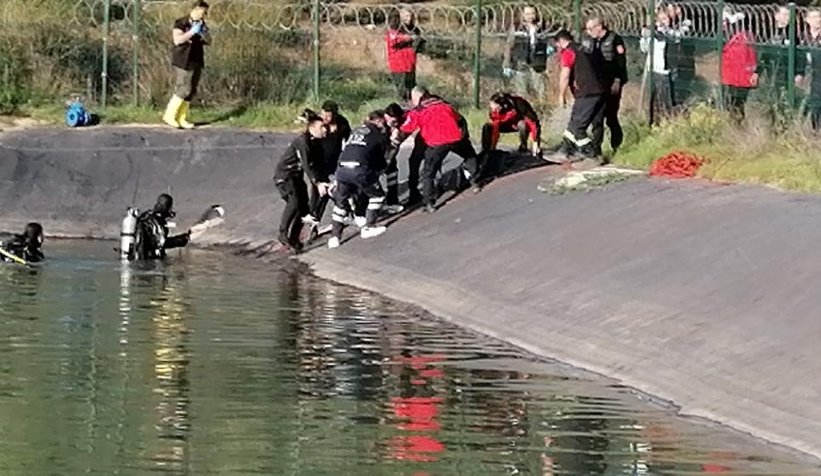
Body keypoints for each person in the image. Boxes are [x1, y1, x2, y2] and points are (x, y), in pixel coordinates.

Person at [399, 87, 482, 213]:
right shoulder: (445, 105)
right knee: (469, 155)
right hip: (455, 139)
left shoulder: (418, 111)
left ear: (418, 98)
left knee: (428, 173)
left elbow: (406, 128)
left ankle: (429, 202)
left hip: (436, 143)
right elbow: (459, 119)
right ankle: (475, 181)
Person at [328, 111, 391, 249]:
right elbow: (380, 159)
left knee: (341, 201)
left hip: (342, 168)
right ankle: (369, 227)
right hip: (359, 169)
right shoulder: (377, 135)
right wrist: (380, 170)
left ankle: (334, 237)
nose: (385, 126)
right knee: (377, 196)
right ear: (379, 122)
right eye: (384, 123)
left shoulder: (356, 131)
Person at [273, 113, 327, 253]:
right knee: (295, 202)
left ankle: (294, 239)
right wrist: (317, 183)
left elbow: (317, 165)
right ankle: (282, 233)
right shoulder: (303, 142)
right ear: (312, 127)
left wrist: (324, 180)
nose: (325, 130)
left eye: (325, 127)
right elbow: (306, 165)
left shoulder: (316, 143)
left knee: (304, 209)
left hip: (297, 177)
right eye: (322, 127)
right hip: (285, 176)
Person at [554, 29, 607, 161]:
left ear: (561, 42)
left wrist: (562, 95)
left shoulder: (568, 52)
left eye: (557, 45)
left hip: (587, 93)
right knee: (573, 123)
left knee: (578, 128)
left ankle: (591, 154)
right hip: (598, 90)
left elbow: (565, 75)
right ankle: (565, 149)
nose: (557, 48)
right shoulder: (582, 49)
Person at [162, 1, 211, 130]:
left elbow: (209, 40)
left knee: (192, 89)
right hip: (183, 60)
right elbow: (177, 40)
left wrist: (203, 33)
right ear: (196, 9)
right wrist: (191, 32)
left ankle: (181, 118)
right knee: (184, 88)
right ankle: (170, 115)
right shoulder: (181, 22)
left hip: (196, 59)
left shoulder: (202, 24)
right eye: (204, 12)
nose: (205, 15)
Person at [304, 101, 352, 229]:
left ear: (335, 115)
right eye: (323, 115)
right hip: (319, 162)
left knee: (337, 189)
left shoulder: (342, 123)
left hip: (335, 162)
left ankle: (346, 211)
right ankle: (313, 223)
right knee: (318, 194)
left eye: (328, 116)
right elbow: (307, 140)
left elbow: (348, 140)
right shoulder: (318, 123)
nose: (325, 118)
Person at [586, 16, 627, 156]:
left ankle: (617, 145)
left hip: (612, 84)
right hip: (598, 85)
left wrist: (618, 80)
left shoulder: (615, 39)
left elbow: (621, 62)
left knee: (611, 117)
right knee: (596, 118)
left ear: (599, 27)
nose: (588, 32)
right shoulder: (592, 42)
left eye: (590, 29)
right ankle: (596, 149)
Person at [640, 9, 687, 121]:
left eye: (664, 19)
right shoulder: (652, 32)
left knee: (665, 101)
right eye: (659, 19)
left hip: (664, 71)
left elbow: (676, 37)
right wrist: (645, 37)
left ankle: (666, 122)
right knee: (650, 100)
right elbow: (644, 49)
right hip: (651, 69)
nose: (661, 22)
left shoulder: (672, 32)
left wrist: (662, 31)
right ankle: (650, 122)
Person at [503, 6, 552, 103]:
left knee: (540, 90)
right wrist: (507, 65)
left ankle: (541, 110)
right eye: (527, 14)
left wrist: (550, 47)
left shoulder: (542, 28)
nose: (530, 16)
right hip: (521, 63)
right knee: (522, 92)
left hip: (538, 63)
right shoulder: (517, 28)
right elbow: (509, 46)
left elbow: (550, 40)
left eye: (532, 13)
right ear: (523, 15)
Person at [384, 102, 426, 206]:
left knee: (393, 172)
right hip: (379, 149)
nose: (395, 124)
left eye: (397, 121)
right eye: (393, 121)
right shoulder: (380, 122)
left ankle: (393, 200)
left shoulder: (404, 121)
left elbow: (395, 146)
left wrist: (389, 159)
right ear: (386, 116)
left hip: (391, 148)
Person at [721, 8, 758, 123]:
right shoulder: (724, 36)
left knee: (739, 103)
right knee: (729, 103)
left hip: (742, 76)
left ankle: (738, 126)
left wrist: (754, 73)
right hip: (728, 75)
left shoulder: (746, 36)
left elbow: (753, 56)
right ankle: (733, 126)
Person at [480, 92, 542, 158]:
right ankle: (486, 150)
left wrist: (536, 144)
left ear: (502, 105)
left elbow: (533, 122)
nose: (491, 107)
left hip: (516, 123)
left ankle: (523, 147)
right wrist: (492, 147)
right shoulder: (493, 111)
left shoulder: (519, 104)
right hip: (502, 124)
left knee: (522, 125)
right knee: (487, 127)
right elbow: (495, 125)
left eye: (493, 105)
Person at [133, 194, 191, 260]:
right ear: (166, 207)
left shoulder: (146, 216)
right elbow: (162, 243)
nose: (171, 210)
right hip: (149, 259)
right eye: (170, 207)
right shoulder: (155, 221)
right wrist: (181, 240)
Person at [385, 9, 425, 102]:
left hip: (410, 64)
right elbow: (393, 41)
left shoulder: (414, 30)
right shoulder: (395, 29)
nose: (409, 18)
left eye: (411, 16)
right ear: (401, 17)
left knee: (412, 91)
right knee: (403, 92)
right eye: (406, 16)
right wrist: (409, 38)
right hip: (399, 66)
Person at [797, 10, 821, 129]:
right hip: (807, 72)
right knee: (806, 99)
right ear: (807, 20)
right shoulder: (803, 36)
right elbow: (799, 56)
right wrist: (799, 73)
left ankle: (816, 128)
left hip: (819, 73)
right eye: (814, 17)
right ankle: (808, 127)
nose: (818, 19)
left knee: (817, 101)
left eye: (819, 17)